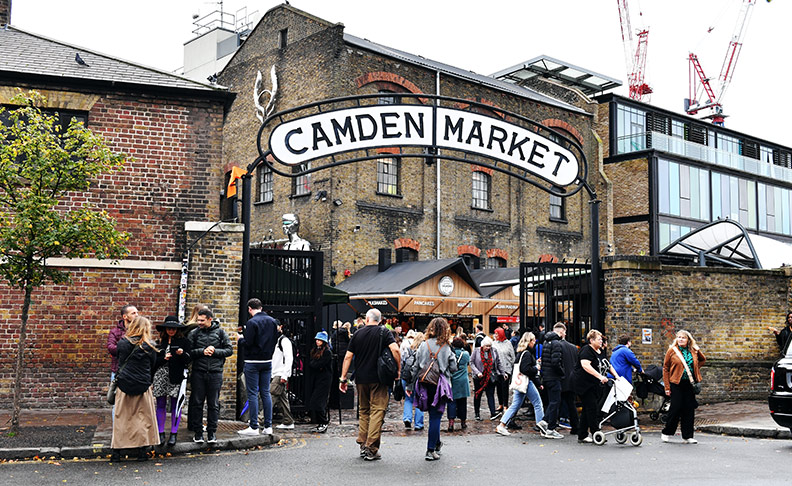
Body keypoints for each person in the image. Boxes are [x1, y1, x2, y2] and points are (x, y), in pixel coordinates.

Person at [339, 308, 399, 461]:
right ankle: (371, 447)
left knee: (364, 411)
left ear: (366, 319)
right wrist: (398, 370)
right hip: (379, 378)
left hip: (361, 378)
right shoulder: (383, 332)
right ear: (380, 320)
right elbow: (396, 350)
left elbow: (348, 357)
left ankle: (363, 443)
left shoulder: (357, 333)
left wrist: (343, 378)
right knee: (378, 411)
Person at [110, 316, 159, 462]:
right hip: (143, 385)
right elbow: (153, 366)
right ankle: (142, 452)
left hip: (124, 385)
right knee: (143, 419)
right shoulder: (150, 345)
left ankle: (116, 453)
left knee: (121, 419)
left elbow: (119, 360)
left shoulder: (123, 343)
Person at [410, 317, 457, 461]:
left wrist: (411, 384)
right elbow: (454, 368)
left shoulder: (424, 345)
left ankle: (436, 443)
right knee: (435, 417)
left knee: (431, 416)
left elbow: (416, 365)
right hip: (440, 385)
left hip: (424, 383)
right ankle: (430, 450)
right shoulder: (446, 347)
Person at [188, 308, 233, 443]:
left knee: (213, 404)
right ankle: (198, 433)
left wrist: (215, 351)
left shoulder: (220, 333)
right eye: (198, 320)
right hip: (198, 373)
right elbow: (188, 352)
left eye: (202, 320)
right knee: (197, 403)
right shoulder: (194, 334)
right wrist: (202, 351)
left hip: (215, 373)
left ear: (209, 319)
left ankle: (212, 432)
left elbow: (229, 350)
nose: (199, 323)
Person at [237, 298, 279, 436]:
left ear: (250, 309)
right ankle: (268, 426)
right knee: (265, 393)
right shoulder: (273, 321)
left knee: (253, 393)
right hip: (267, 361)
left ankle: (254, 426)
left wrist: (240, 339)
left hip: (252, 362)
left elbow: (248, 342)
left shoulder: (252, 322)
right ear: (261, 307)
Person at [495, 332, 545, 437]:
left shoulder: (521, 352)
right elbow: (525, 369)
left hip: (520, 382)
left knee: (515, 405)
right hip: (526, 382)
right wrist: (536, 368)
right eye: (533, 340)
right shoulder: (527, 353)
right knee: (537, 403)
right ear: (529, 341)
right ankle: (542, 427)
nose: (535, 342)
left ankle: (502, 425)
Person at [661, 330, 706, 444]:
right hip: (676, 383)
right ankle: (667, 432)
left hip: (689, 383)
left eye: (683, 338)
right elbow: (665, 369)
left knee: (689, 409)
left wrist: (695, 370)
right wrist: (667, 387)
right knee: (675, 408)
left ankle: (688, 436)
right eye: (679, 337)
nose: (680, 339)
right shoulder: (672, 351)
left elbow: (702, 360)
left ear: (688, 340)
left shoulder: (693, 350)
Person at [574, 329, 618, 444]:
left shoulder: (600, 351)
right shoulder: (586, 350)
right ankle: (596, 432)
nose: (601, 341)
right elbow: (585, 365)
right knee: (592, 408)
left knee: (587, 409)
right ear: (591, 340)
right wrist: (600, 376)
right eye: (599, 339)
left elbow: (607, 365)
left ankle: (582, 434)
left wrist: (617, 377)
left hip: (594, 385)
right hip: (584, 384)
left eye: (601, 339)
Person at [153, 316, 191, 447]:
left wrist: (181, 354)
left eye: (173, 328)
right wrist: (164, 358)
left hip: (176, 376)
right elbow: (153, 362)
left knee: (176, 404)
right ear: (165, 329)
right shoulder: (159, 342)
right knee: (161, 403)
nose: (171, 331)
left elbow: (188, 359)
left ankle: (173, 434)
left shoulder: (184, 341)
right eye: (168, 328)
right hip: (161, 375)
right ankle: (160, 433)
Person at [538, 322, 566, 439]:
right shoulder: (557, 344)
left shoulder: (546, 342)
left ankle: (545, 422)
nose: (565, 334)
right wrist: (562, 372)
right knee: (556, 402)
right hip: (554, 377)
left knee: (552, 401)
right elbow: (555, 363)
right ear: (560, 332)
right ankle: (550, 428)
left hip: (547, 377)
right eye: (564, 332)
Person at [470, 336, 505, 421]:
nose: (488, 348)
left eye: (489, 346)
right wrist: (477, 372)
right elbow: (471, 362)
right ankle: (477, 414)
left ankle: (493, 413)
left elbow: (498, 362)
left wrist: (503, 373)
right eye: (486, 346)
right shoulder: (476, 351)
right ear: (482, 345)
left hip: (490, 376)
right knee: (478, 394)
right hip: (479, 377)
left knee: (490, 394)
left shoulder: (494, 351)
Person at [307, 331, 333, 433]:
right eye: (317, 340)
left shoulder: (326, 352)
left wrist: (314, 363)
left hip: (324, 380)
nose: (317, 342)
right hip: (318, 379)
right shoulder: (316, 350)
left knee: (318, 401)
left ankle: (323, 422)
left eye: (319, 340)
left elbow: (317, 364)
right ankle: (320, 422)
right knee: (316, 401)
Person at [272, 321, 295, 430]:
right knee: (282, 399)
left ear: (280, 327)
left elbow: (289, 358)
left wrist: (284, 375)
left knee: (270, 396)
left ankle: (259, 420)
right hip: (275, 373)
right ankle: (288, 421)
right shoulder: (275, 340)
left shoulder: (284, 341)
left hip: (280, 373)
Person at [558, 325, 580, 436]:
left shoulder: (558, 346)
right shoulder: (573, 348)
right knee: (571, 404)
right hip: (572, 379)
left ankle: (552, 423)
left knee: (555, 402)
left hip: (561, 378)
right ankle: (576, 426)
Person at [402, 332, 426, 430]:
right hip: (418, 379)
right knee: (419, 400)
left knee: (408, 399)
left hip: (407, 377)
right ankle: (418, 424)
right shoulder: (424, 351)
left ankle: (407, 418)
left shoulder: (409, 349)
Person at [108, 305, 139, 379]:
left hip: (136, 370)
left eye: (137, 313)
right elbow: (111, 348)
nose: (137, 315)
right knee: (115, 390)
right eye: (133, 313)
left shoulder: (140, 331)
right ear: (125, 316)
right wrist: (127, 348)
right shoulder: (115, 332)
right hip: (119, 370)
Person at [447, 337, 471, 432]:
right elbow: (467, 363)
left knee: (451, 402)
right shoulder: (465, 354)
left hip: (452, 380)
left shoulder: (450, 354)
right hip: (462, 381)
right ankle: (463, 422)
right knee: (462, 402)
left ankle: (451, 423)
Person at [492, 327, 515, 419]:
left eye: (497, 334)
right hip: (497, 369)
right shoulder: (494, 344)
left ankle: (505, 404)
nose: (495, 335)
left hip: (506, 368)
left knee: (505, 387)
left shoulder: (508, 343)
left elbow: (512, 356)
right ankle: (500, 403)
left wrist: (510, 364)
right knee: (498, 388)